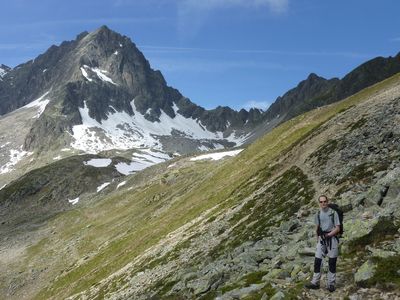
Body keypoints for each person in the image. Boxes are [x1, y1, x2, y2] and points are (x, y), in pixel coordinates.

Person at [305, 195, 340, 292]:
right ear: (319, 203)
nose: (323, 203)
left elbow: (337, 228)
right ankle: (315, 282)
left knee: (332, 262)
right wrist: (318, 239)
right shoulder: (318, 214)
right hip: (321, 239)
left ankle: (331, 284)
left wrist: (329, 235)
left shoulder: (333, 213)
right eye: (321, 202)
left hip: (332, 239)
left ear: (327, 202)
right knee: (317, 261)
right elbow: (317, 227)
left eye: (325, 201)